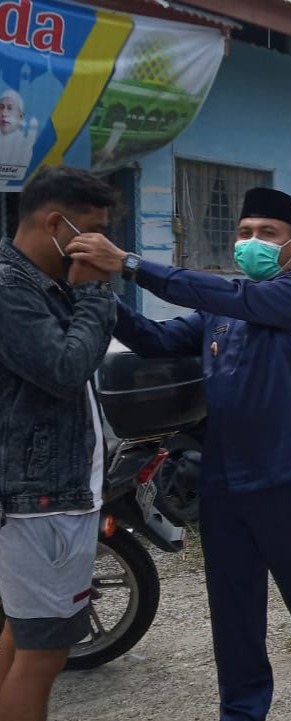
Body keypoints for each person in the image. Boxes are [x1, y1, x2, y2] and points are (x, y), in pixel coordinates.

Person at [68, 187, 291, 721]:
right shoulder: (218, 314)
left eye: (268, 233)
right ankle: (241, 709)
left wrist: (126, 261)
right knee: (234, 603)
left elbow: (228, 296)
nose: (253, 243)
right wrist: (101, 292)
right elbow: (153, 337)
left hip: (289, 475)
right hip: (225, 480)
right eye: (244, 233)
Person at [0, 166, 119, 721]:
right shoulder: (9, 289)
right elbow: (66, 368)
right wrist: (96, 291)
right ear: (55, 223)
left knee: (19, 637)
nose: (100, 246)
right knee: (44, 654)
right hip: (40, 504)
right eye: (90, 231)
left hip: (46, 497)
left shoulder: (38, 284)